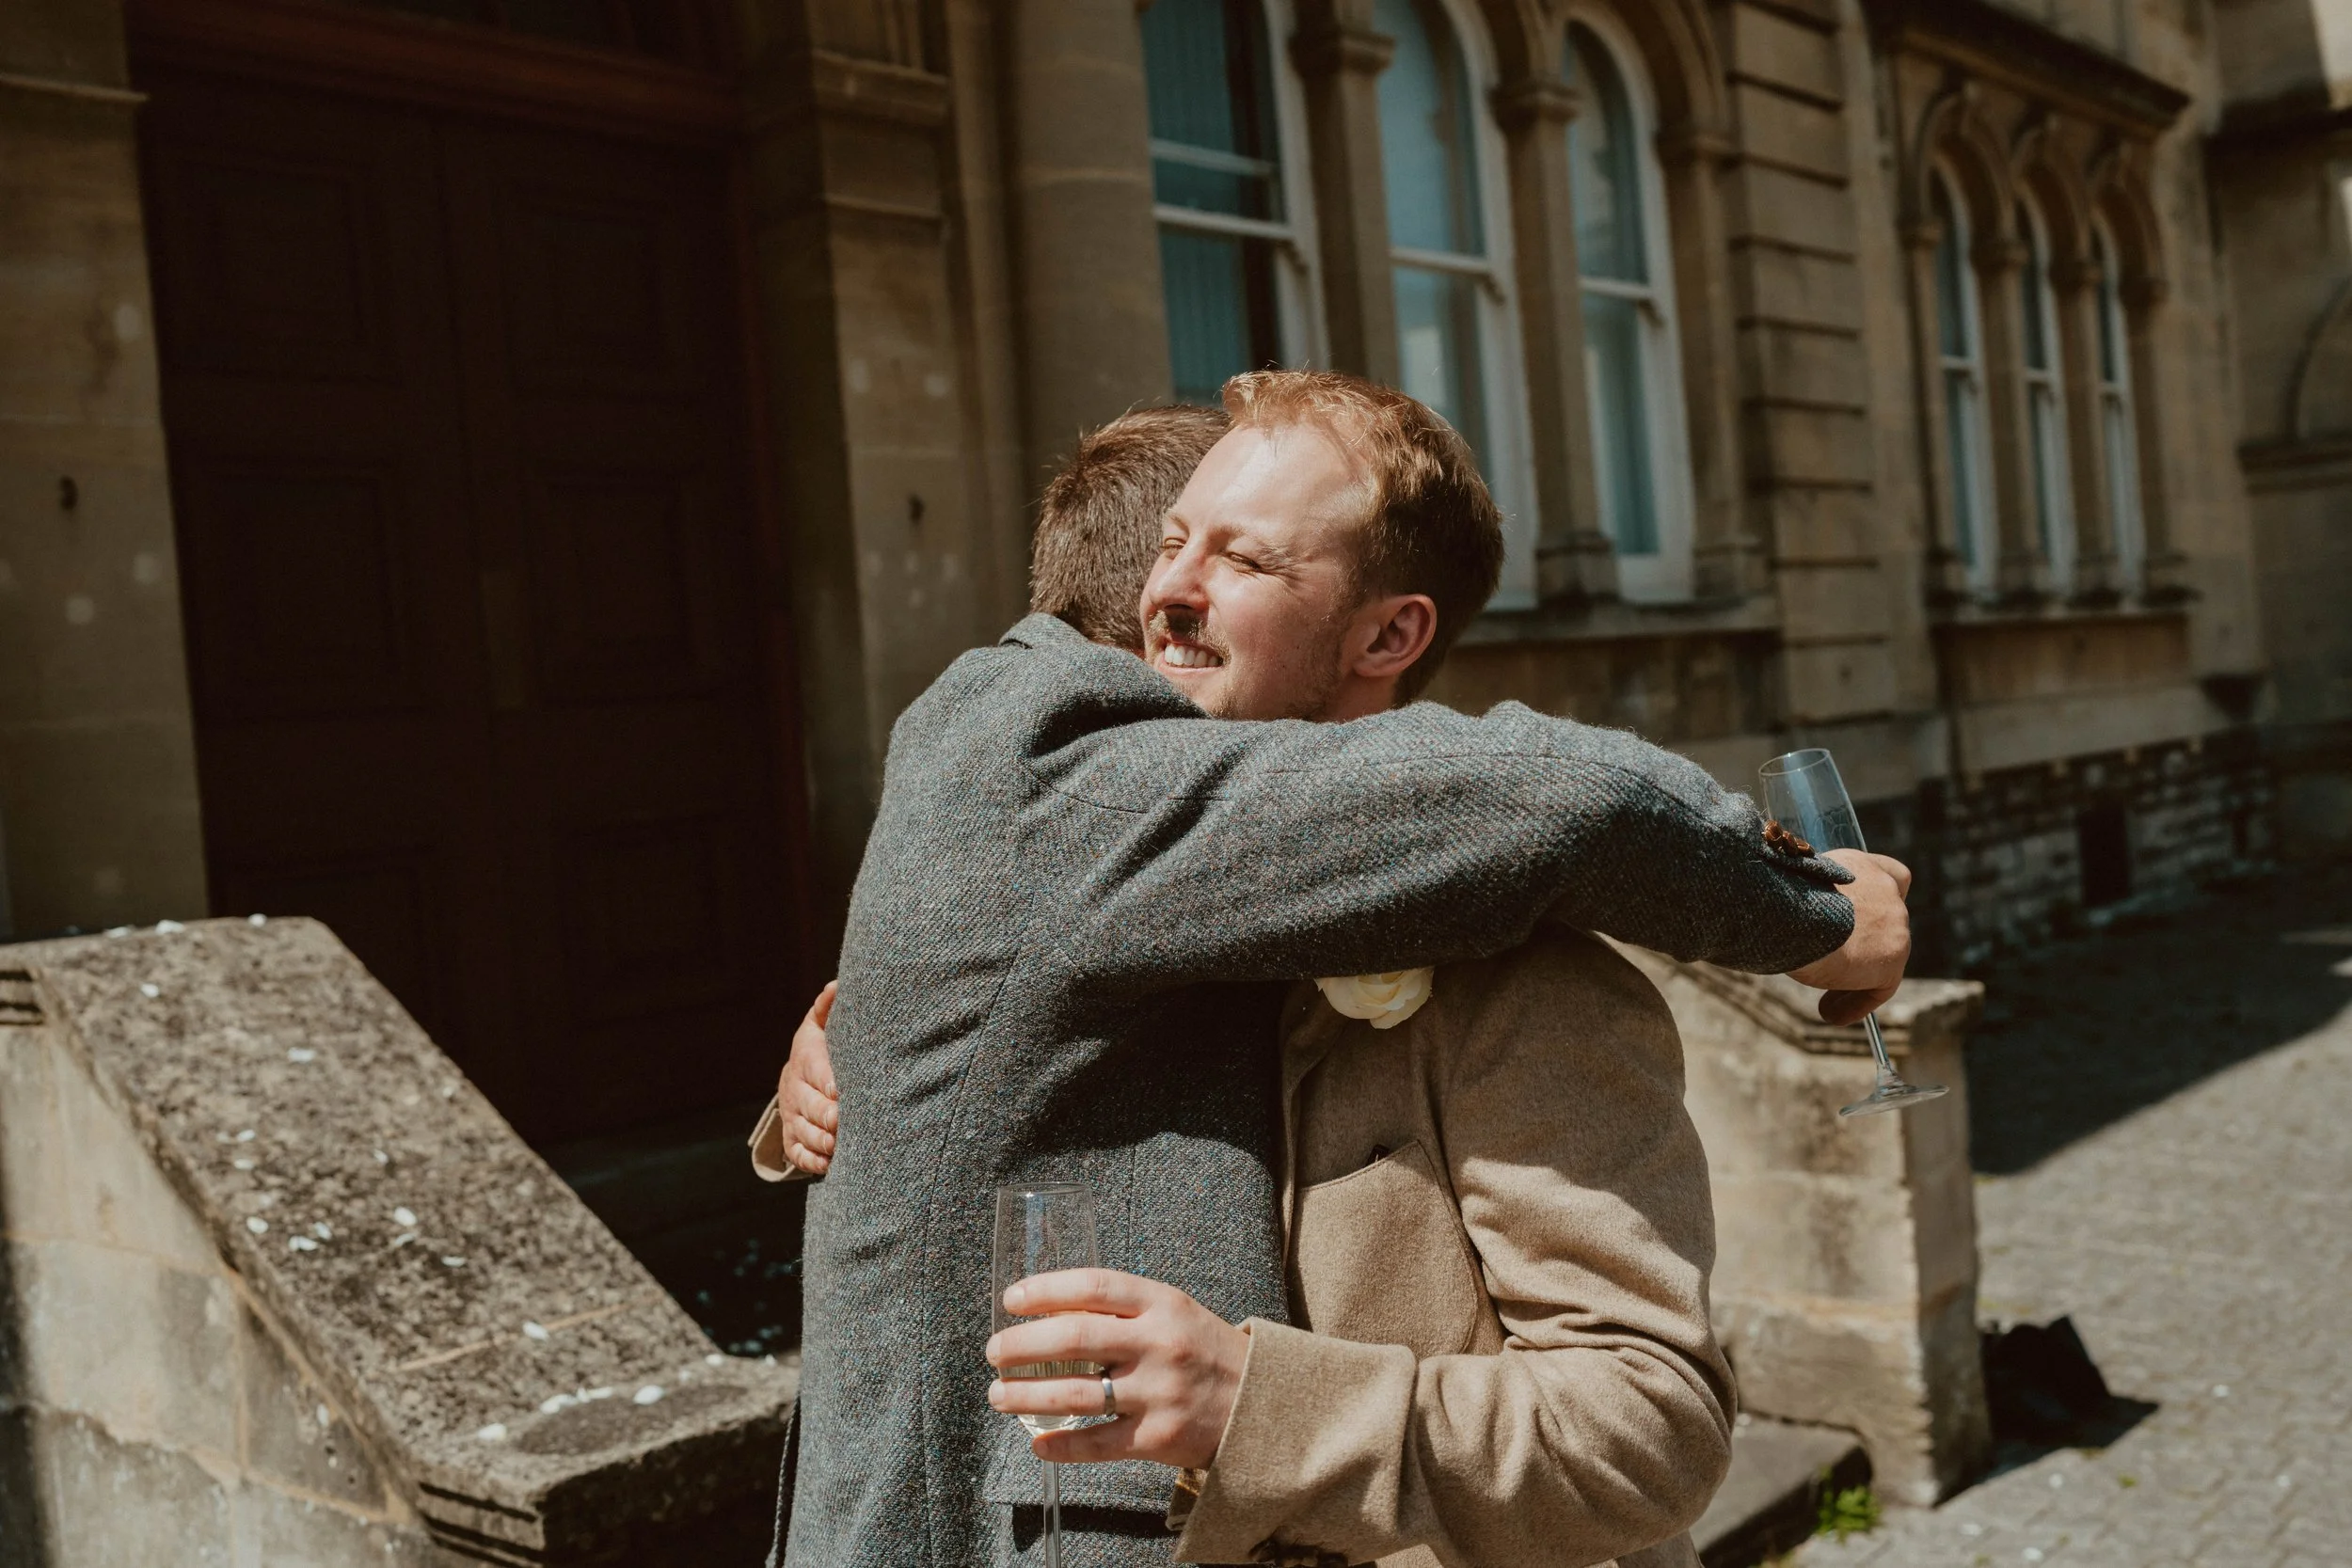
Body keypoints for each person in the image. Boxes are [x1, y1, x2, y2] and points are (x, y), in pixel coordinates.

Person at [775, 372, 1911, 1568]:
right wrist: (847, 1049)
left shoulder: (1515, 984)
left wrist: (1249, 1405)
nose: (1167, 594)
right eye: (1169, 548)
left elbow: (1653, 1429)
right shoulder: (1085, 820)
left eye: (1246, 560)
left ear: (1388, 631)